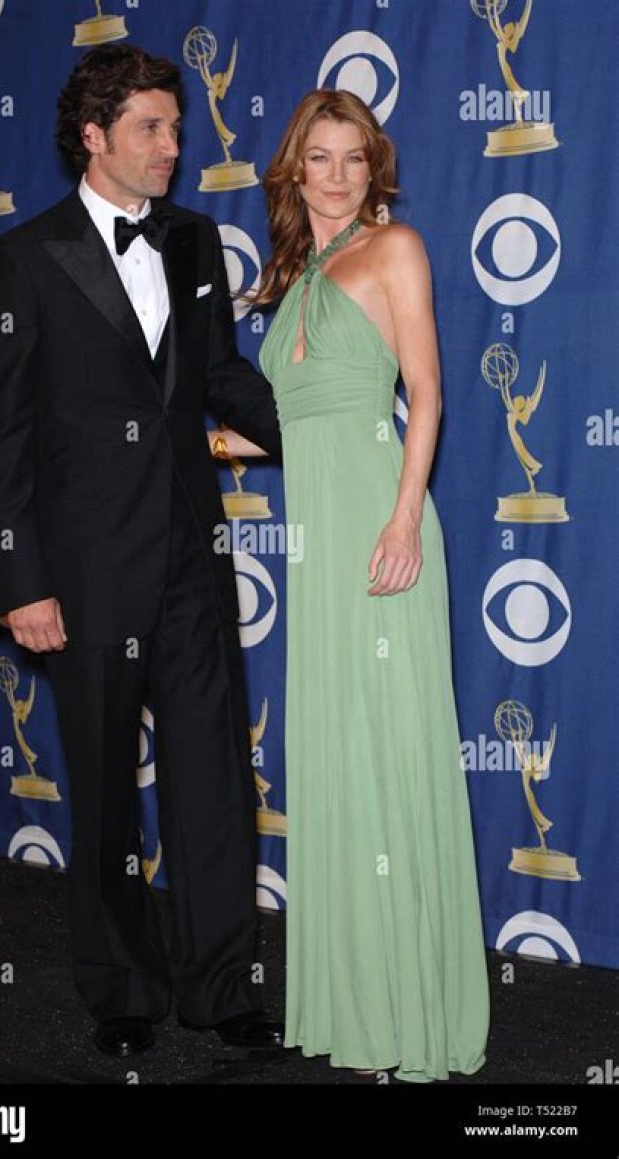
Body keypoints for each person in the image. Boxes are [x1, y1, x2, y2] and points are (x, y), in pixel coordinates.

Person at [0, 44, 284, 1058]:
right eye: (150, 127)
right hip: (85, 570)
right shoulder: (25, 258)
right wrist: (21, 578)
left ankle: (223, 986)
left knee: (214, 783)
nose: (172, 146)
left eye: (176, 127)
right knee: (105, 789)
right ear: (92, 135)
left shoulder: (193, 240)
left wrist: (324, 427)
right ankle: (124, 992)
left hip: (191, 559)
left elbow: (221, 378)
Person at [211, 89, 490, 1081]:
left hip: (380, 529)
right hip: (318, 546)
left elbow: (428, 392)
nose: (335, 176)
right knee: (338, 757)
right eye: (318, 158)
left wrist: (405, 519)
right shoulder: (292, 279)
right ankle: (356, 1005)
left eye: (354, 158)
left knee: (390, 750)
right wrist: (191, 443)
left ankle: (412, 1013)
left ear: (376, 170)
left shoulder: (394, 249)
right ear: (294, 168)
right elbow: (297, 425)